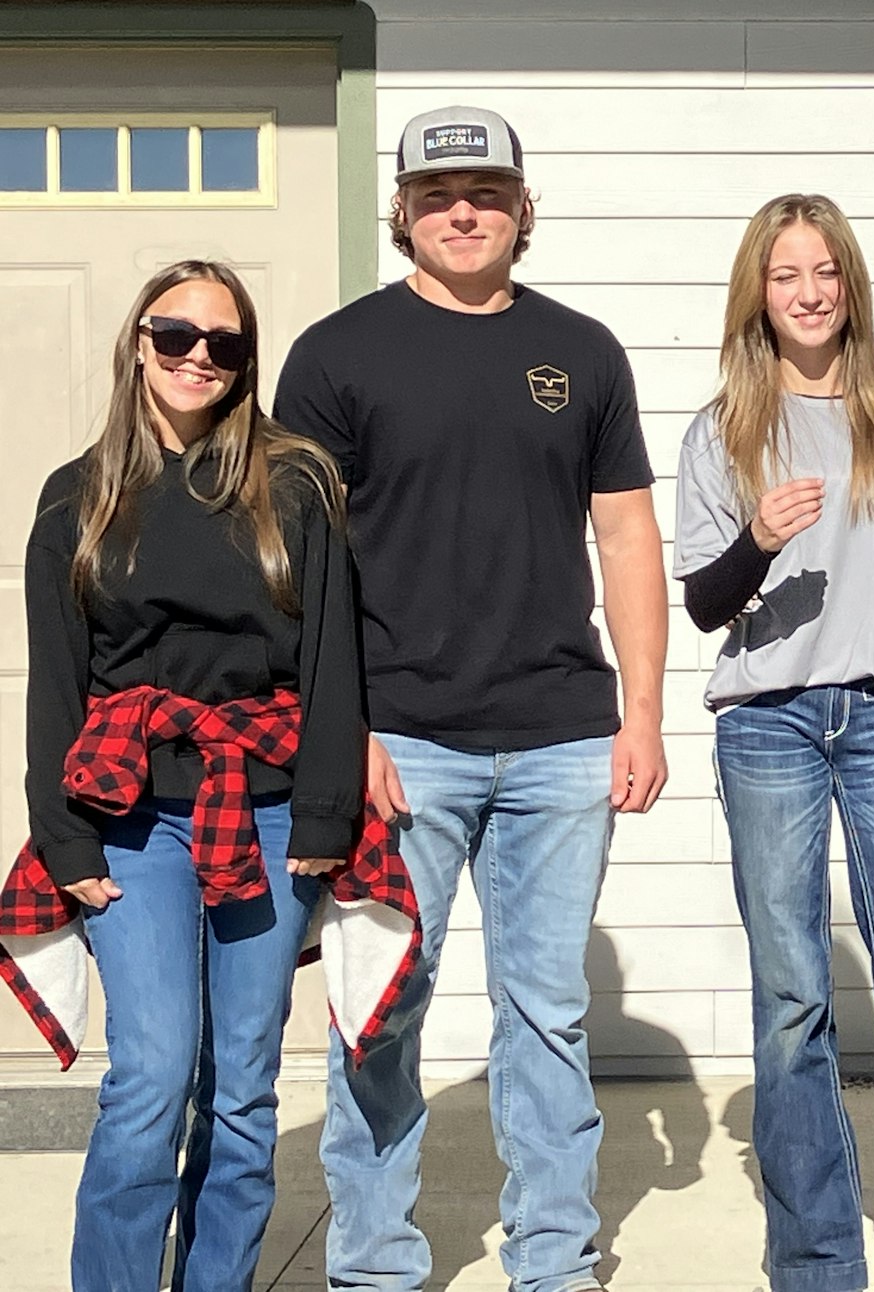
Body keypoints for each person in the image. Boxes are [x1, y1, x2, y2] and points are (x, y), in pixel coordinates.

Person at [277, 105, 670, 1292]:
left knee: (546, 1014)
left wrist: (641, 713)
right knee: (381, 1006)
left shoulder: (585, 352)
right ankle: (373, 1264)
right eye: (440, 194)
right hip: (399, 739)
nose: (464, 212)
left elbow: (626, 534)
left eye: (487, 193)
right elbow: (296, 565)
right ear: (401, 211)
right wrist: (342, 740)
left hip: (559, 738)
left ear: (521, 209)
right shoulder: (336, 355)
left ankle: (553, 1260)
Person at [11, 260, 363, 1291]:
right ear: (138, 343)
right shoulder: (77, 495)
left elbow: (331, 660)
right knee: (155, 1072)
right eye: (177, 336)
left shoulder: (292, 480)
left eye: (225, 344)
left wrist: (325, 814)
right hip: (129, 818)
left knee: (245, 1085)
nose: (199, 358)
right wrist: (64, 837)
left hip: (264, 812)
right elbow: (57, 683)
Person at [674, 192, 874, 1292]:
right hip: (770, 728)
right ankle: (812, 1265)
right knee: (793, 1000)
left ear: (850, 286)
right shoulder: (722, 431)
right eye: (785, 274)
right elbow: (707, 606)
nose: (807, 293)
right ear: (758, 292)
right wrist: (758, 540)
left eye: (825, 273)